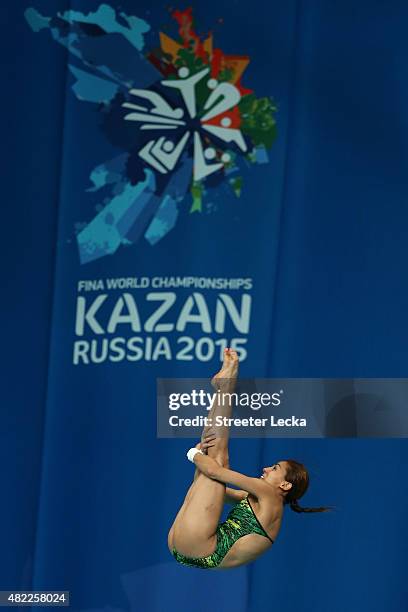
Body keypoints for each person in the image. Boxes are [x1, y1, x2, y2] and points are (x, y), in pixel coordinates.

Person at [168, 348, 332, 570]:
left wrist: (193, 454)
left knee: (217, 460)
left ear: (284, 484)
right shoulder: (261, 503)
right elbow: (220, 490)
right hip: (190, 549)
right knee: (212, 460)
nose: (265, 469)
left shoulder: (270, 496)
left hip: (199, 546)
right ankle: (223, 387)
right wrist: (202, 461)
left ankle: (226, 386)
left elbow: (217, 473)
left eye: (274, 468)